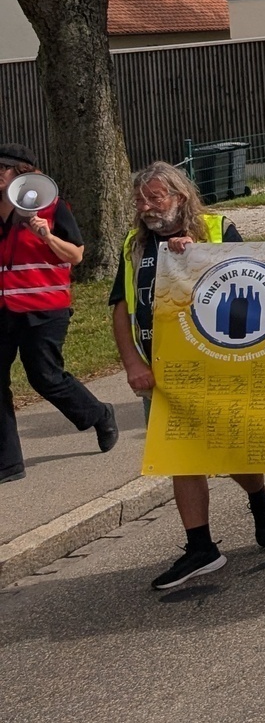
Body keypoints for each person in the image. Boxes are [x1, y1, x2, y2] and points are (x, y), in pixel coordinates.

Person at [110, 163, 265, 589]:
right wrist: (132, 362)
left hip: (216, 370)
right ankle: (201, 547)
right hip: (161, 373)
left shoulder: (218, 230)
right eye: (140, 200)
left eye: (155, 198)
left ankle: (258, 495)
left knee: (225, 452)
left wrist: (204, 257)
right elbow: (120, 307)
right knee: (180, 457)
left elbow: (256, 291)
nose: (146, 208)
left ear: (180, 197)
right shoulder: (135, 243)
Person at [0, 143, 116, 483]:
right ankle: (8, 464)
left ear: (21, 172)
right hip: (4, 311)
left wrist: (46, 236)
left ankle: (98, 413)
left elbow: (76, 256)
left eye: (1, 168)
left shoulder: (52, 208)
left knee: (44, 376)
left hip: (46, 309)